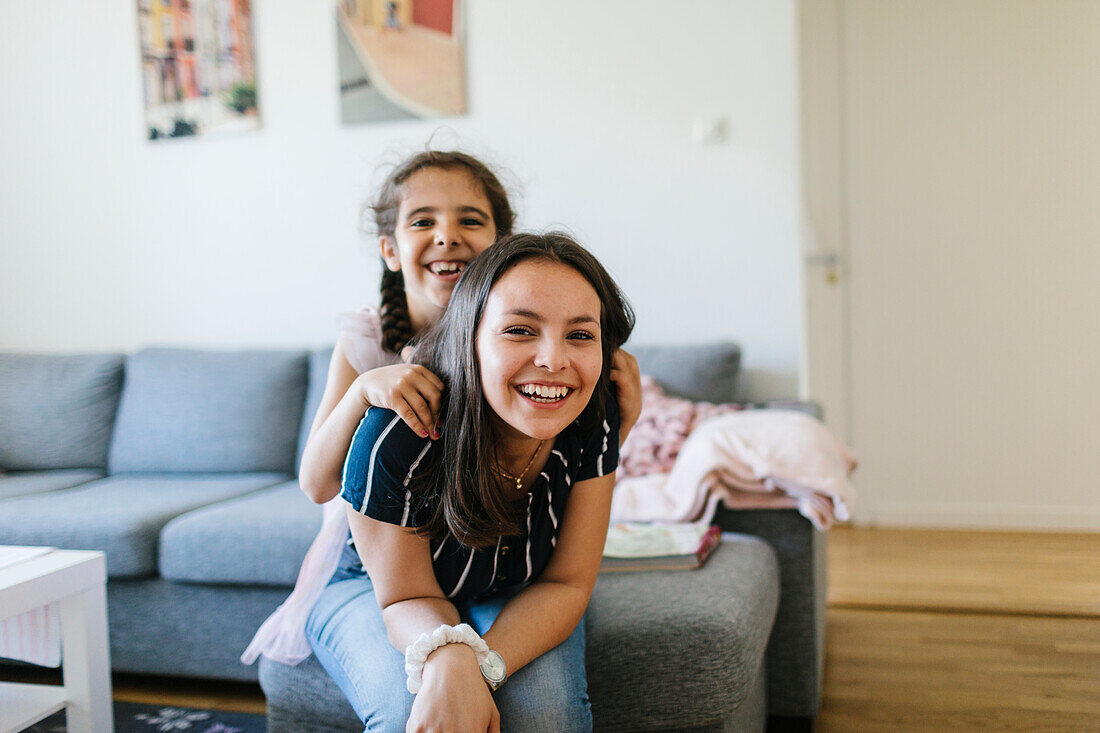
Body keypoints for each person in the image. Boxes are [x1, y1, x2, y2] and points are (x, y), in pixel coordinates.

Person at [241, 150, 641, 670]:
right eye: (424, 221)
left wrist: (615, 423)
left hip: (482, 545)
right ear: (390, 249)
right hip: (379, 543)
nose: (448, 235)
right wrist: (363, 392)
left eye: (469, 220)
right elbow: (318, 484)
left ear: (503, 247)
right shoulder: (369, 344)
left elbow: (568, 459)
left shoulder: (548, 355)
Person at [309, 232, 635, 731]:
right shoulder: (398, 433)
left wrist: (477, 664)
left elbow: (568, 583)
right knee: (410, 713)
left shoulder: (595, 413)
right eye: (520, 330)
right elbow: (403, 598)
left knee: (548, 714)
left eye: (580, 334)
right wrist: (445, 655)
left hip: (518, 587)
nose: (554, 359)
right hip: (379, 591)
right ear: (470, 337)